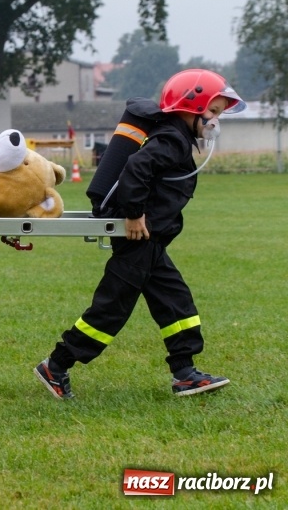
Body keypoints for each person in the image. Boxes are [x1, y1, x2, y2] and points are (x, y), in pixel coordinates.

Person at [34, 69, 246, 400]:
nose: (215, 121)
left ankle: (185, 372)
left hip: (151, 241)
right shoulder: (171, 140)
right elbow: (136, 169)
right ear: (192, 106)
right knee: (111, 309)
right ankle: (56, 365)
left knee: (175, 300)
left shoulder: (175, 138)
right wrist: (134, 214)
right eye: (213, 112)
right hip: (138, 238)